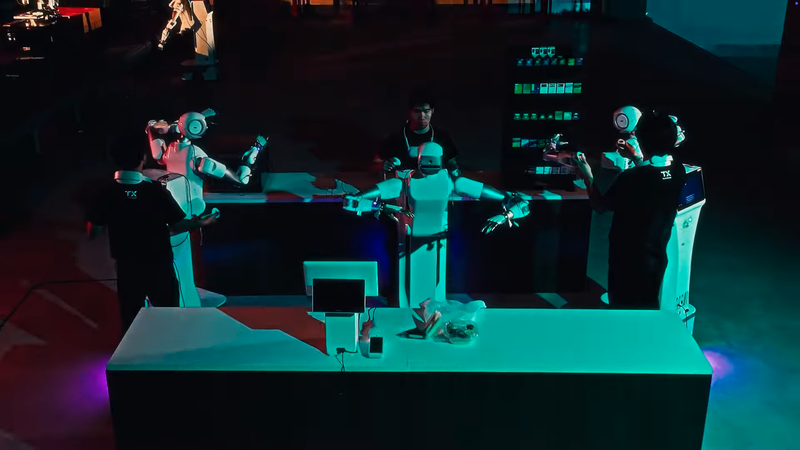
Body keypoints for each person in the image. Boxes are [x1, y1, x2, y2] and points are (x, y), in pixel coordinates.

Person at [86, 136, 217, 337]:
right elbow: (178, 225)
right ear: (143, 158)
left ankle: (135, 353)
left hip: (128, 267)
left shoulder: (105, 192)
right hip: (159, 265)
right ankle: (168, 351)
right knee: (168, 316)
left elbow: (93, 231)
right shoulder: (155, 191)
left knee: (131, 319)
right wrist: (203, 222)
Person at [573, 110, 688, 310]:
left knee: (623, 309)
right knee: (647, 306)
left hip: (627, 260)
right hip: (655, 257)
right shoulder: (679, 170)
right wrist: (636, 158)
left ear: (641, 139)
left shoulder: (632, 178)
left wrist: (587, 176)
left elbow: (600, 205)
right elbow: (654, 176)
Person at [377, 88, 461, 177]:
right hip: (405, 184)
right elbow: (376, 164)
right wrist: (383, 166)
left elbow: (452, 163)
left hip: (435, 183)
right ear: (410, 111)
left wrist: (454, 168)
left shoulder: (442, 138)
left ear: (432, 111)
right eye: (417, 111)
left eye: (426, 111)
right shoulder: (395, 139)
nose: (422, 116)